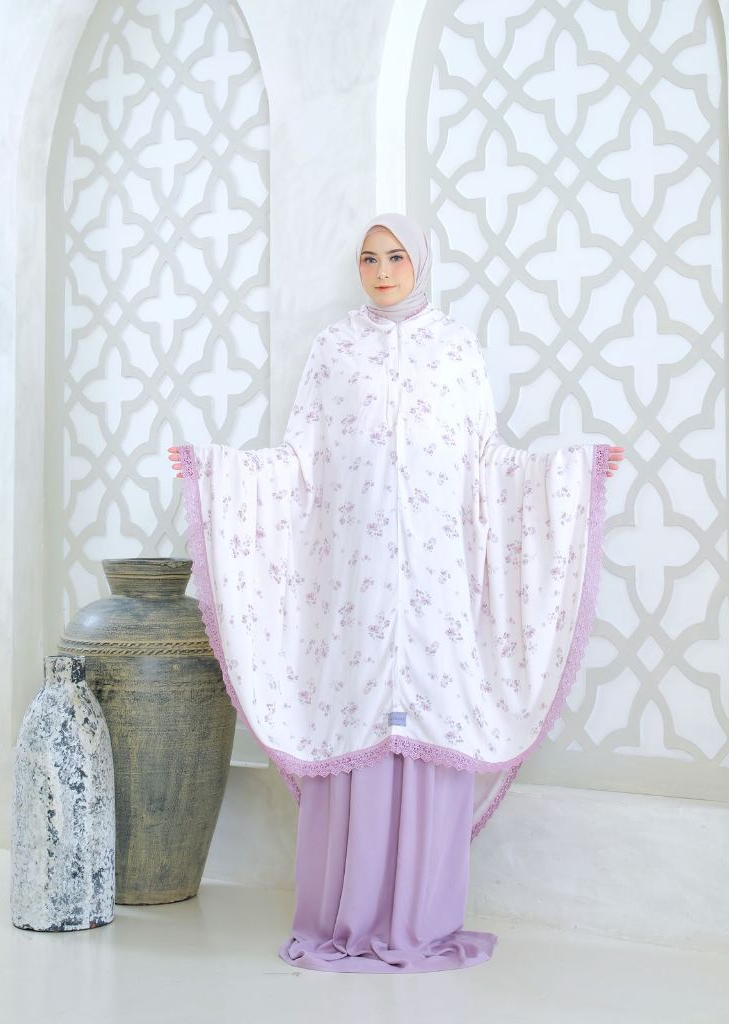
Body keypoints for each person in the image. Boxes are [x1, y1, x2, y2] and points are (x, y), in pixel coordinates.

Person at [167, 212, 625, 973]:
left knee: (433, 708)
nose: (382, 271)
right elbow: (300, 460)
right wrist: (215, 470)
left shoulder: (456, 349)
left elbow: (489, 463)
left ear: (421, 262)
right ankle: (346, 916)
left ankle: (420, 918)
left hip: (436, 584)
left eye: (397, 256)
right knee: (356, 716)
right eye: (370, 258)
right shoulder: (334, 350)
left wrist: (574, 469)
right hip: (357, 583)